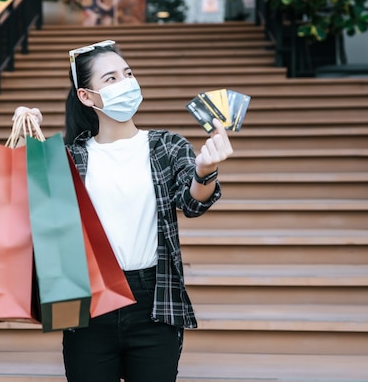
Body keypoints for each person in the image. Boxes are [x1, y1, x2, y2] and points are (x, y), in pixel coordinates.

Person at [14, 39, 233, 382]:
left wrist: (205, 170)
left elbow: (192, 203)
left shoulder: (167, 145)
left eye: (128, 74)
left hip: (154, 300)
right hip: (88, 300)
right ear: (86, 96)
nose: (126, 83)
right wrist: (29, 138)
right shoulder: (71, 157)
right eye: (111, 78)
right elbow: (33, 213)